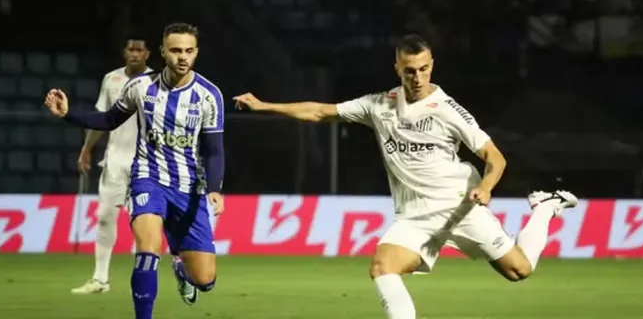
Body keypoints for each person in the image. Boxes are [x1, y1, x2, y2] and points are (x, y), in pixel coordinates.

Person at [234, 34, 578, 319]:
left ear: (432, 67)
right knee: (383, 266)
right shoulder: (378, 105)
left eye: (424, 69)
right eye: (410, 70)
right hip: (415, 216)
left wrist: (486, 187)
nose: (417, 77)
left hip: (461, 207)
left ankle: (545, 207)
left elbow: (495, 157)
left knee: (519, 271)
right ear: (397, 67)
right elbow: (321, 112)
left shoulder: (448, 109)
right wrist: (265, 106)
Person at [44, 23, 225, 319]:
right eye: (176, 50)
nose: (182, 57)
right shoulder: (141, 87)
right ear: (163, 51)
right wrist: (68, 114)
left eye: (189, 51)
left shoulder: (208, 95)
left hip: (189, 189)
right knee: (148, 250)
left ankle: (181, 268)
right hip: (147, 180)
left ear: (196, 53)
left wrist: (215, 187)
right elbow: (109, 119)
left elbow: (214, 149)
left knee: (205, 280)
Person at [71, 38, 152, 295]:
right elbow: (101, 118)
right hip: (115, 160)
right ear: (124, 52)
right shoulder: (111, 79)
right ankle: (99, 279)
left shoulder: (158, 82)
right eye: (131, 49)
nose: (135, 54)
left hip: (145, 164)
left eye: (140, 50)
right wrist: (87, 148)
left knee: (143, 223)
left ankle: (141, 280)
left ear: (148, 53)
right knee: (105, 217)